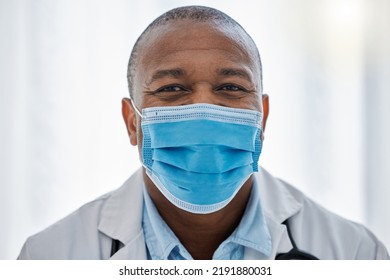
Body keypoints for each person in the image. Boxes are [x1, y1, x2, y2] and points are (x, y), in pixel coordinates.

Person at [18, 5, 389, 260]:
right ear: (133, 123)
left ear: (263, 118)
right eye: (171, 89)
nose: (205, 108)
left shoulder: (354, 253)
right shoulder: (48, 256)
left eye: (230, 88)